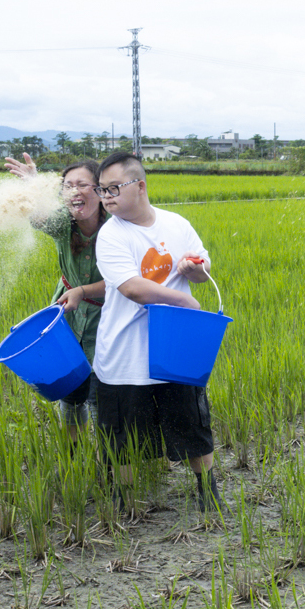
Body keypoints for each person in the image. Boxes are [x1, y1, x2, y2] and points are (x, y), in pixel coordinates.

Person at [93, 151, 224, 513]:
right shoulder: (110, 235)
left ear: (141, 186)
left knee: (192, 421)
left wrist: (193, 268)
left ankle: (207, 489)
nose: (107, 197)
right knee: (123, 435)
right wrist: (186, 302)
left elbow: (202, 268)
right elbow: (133, 288)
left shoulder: (176, 224)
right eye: (102, 190)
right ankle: (124, 501)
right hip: (125, 352)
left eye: (114, 188)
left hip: (174, 346)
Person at [5, 153, 106, 447]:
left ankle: (109, 461)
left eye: (83, 185)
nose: (75, 191)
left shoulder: (118, 227)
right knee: (72, 390)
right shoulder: (64, 223)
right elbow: (40, 218)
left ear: (100, 190)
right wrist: (34, 186)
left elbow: (126, 282)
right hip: (68, 316)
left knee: (101, 393)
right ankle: (74, 453)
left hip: (108, 320)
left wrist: (83, 292)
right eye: (68, 186)